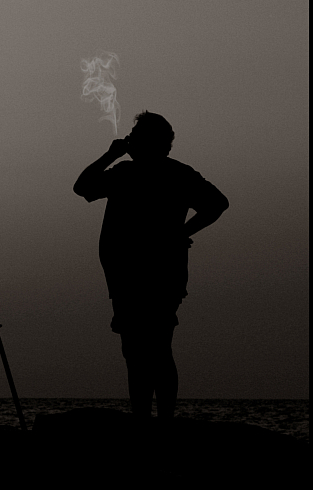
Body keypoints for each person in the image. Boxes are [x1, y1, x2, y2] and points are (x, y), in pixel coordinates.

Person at [73, 111, 229, 424]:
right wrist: (111, 155)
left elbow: (218, 203)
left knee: (152, 349)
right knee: (138, 349)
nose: (129, 140)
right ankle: (146, 419)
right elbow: (83, 187)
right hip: (128, 277)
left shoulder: (163, 174)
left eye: (135, 136)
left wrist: (181, 233)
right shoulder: (131, 173)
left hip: (155, 276)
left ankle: (158, 420)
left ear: (150, 141)